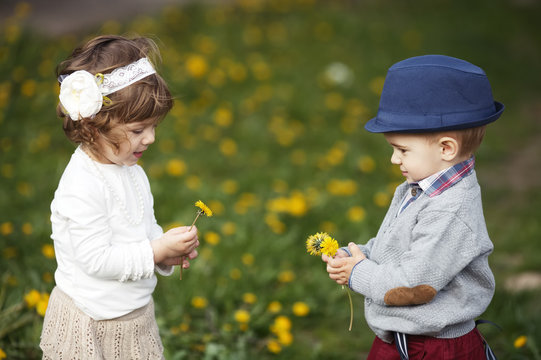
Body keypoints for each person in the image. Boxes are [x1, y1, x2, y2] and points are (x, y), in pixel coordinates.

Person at [322, 55, 503, 359]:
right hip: (403, 334)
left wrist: (359, 274)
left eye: (402, 150)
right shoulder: (417, 189)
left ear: (446, 148)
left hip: (433, 345)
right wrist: (359, 256)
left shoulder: (450, 211)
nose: (394, 159)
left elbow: (414, 284)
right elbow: (397, 249)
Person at [40, 35, 200, 359]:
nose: (151, 138)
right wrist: (154, 251)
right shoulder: (82, 185)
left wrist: (164, 249)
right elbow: (96, 259)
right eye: (139, 130)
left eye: (154, 127)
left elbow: (142, 226)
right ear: (94, 126)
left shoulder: (129, 169)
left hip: (133, 316)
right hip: (92, 321)